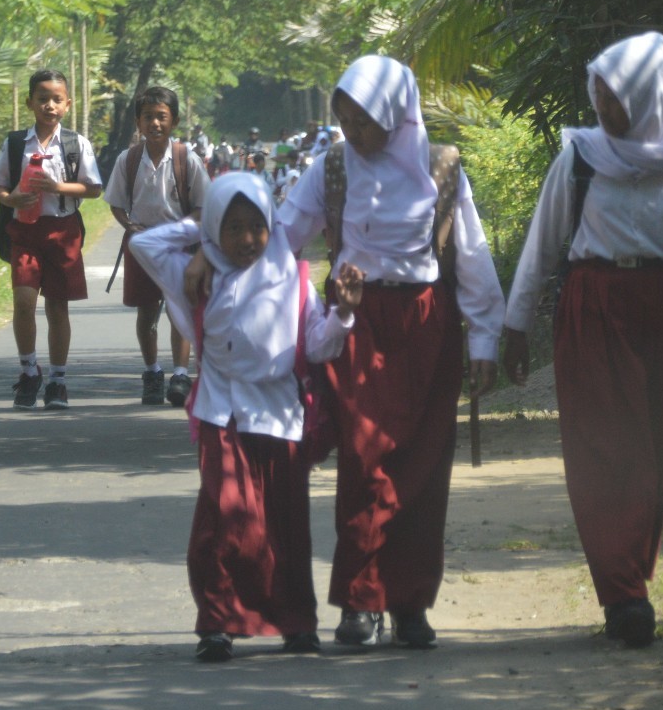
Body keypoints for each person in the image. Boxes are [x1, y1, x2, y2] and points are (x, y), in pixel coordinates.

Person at [195, 55, 505, 650]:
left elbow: (471, 254)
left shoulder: (442, 168)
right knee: (365, 461)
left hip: (427, 326)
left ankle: (411, 602)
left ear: (395, 112)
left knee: (423, 465)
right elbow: (280, 232)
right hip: (356, 323)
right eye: (347, 121)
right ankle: (360, 600)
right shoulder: (332, 167)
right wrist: (210, 253)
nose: (355, 133)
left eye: (364, 121)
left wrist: (485, 336)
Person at [498, 32, 663, 650]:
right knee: (602, 450)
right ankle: (623, 592)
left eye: (614, 92)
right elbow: (543, 245)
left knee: (650, 453)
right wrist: (514, 327)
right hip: (592, 310)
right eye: (596, 88)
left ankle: (632, 576)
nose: (600, 101)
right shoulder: (580, 157)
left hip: (661, 314)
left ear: (650, 96)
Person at [133, 172, 362, 661]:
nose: (245, 239)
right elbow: (145, 244)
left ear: (272, 228)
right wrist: (199, 239)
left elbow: (319, 345)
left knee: (286, 526)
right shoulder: (197, 275)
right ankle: (217, 621)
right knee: (224, 518)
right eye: (231, 227)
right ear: (216, 227)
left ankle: (296, 622)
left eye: (257, 227)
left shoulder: (294, 278)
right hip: (223, 414)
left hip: (281, 418)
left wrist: (343, 314)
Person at [0, 69, 103, 409]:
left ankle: (57, 380)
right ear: (29, 103)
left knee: (57, 305)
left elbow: (94, 188)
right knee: (24, 301)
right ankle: (28, 371)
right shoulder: (14, 144)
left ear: (67, 105)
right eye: (42, 99)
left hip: (63, 231)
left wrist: (56, 188)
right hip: (25, 230)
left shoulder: (75, 144)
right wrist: (10, 199)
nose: (49, 105)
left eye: (56, 99)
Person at [104, 84, 209, 406]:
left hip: (179, 246)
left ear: (174, 121)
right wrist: (131, 227)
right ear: (138, 122)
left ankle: (180, 375)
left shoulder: (186, 159)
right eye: (148, 117)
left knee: (181, 310)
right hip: (142, 245)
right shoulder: (128, 159)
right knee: (147, 312)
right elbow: (116, 203)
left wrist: (181, 232)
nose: (155, 124)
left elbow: (202, 207)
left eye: (162, 117)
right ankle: (151, 372)